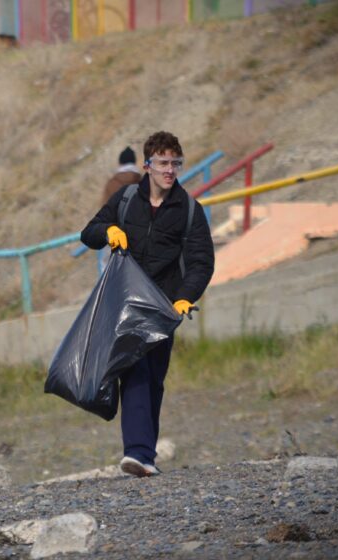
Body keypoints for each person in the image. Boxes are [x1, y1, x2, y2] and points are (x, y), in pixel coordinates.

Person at [81, 131, 214, 477]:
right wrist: (108, 230)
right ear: (147, 165)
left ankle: (146, 456)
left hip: (164, 306)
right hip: (124, 302)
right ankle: (137, 451)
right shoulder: (126, 199)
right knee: (135, 371)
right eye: (163, 163)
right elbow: (88, 233)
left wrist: (186, 296)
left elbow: (201, 260)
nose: (170, 170)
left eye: (175, 163)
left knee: (154, 377)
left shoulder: (188, 209)